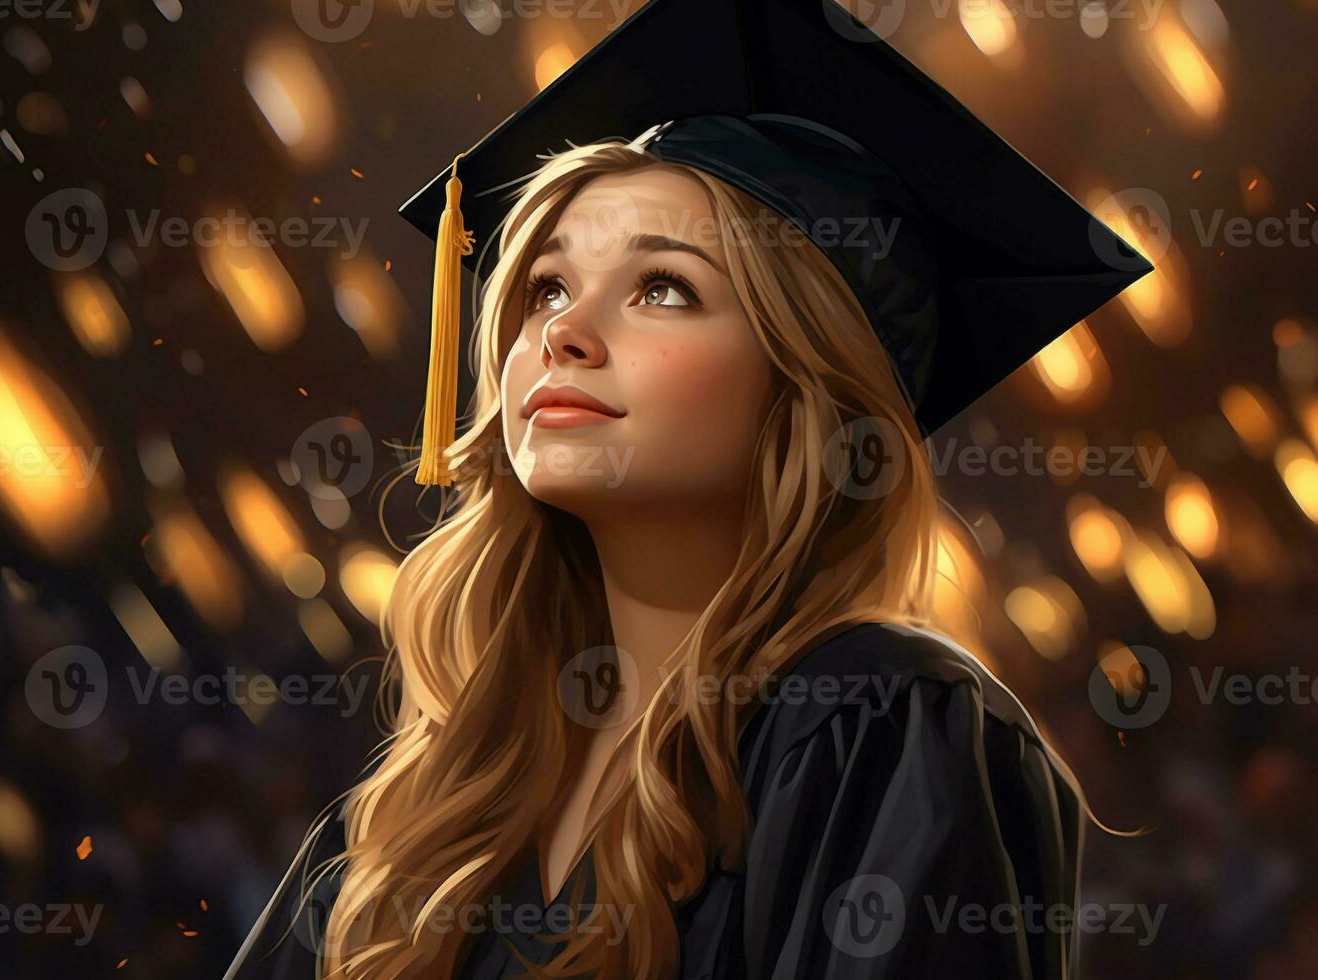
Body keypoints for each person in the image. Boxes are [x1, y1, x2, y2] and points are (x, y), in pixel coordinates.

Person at [226, 0, 1150, 976]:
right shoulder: (405, 824)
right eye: (545, 285)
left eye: (663, 287)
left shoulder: (881, 726)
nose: (562, 332)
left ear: (805, 387)